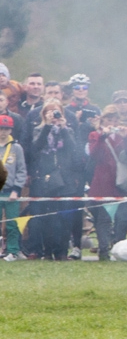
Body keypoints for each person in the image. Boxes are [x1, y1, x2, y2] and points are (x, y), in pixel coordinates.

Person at [27, 102, 79, 260]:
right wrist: (48, 126)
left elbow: (73, 149)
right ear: (43, 114)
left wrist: (63, 128)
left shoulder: (68, 129)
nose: (53, 115)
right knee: (48, 217)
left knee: (65, 217)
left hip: (65, 177)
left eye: (56, 112)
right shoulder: (39, 129)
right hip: (46, 177)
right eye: (49, 112)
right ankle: (48, 251)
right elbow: (35, 149)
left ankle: (62, 251)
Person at [86, 106, 127, 260]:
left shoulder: (125, 134)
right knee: (104, 219)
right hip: (103, 182)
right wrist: (103, 137)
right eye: (109, 119)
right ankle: (103, 250)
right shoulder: (95, 135)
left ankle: (118, 249)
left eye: (116, 120)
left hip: (122, 181)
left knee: (122, 219)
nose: (113, 123)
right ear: (103, 120)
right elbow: (94, 154)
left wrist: (126, 138)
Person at [1, 115, 27, 260]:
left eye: (6, 129)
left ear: (11, 130)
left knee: (12, 223)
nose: (3, 132)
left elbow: (21, 170)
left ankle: (13, 250)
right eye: (1, 129)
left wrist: (16, 189)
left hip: (10, 191)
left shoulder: (16, 148)